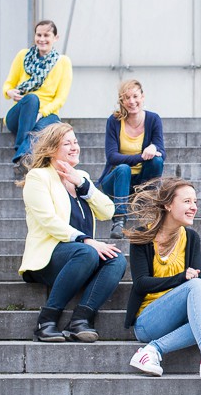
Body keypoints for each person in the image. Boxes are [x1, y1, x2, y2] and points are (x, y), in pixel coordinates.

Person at [123, 177, 201, 379]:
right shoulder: (142, 236)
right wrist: (181, 279)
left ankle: (152, 350)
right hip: (148, 321)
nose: (194, 207)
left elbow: (199, 280)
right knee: (194, 285)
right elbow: (141, 283)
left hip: (179, 317)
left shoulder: (191, 237)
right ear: (168, 205)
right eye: (187, 201)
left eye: (195, 202)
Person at [19, 123, 126, 342]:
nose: (74, 147)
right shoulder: (38, 177)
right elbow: (48, 220)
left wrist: (82, 185)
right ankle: (46, 322)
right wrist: (86, 240)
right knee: (86, 252)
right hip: (49, 257)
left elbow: (108, 211)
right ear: (51, 149)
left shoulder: (81, 177)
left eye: (75, 142)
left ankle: (80, 320)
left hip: (80, 256)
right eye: (67, 143)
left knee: (118, 260)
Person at [3, 20, 72, 178]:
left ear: (55, 37)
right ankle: (22, 146)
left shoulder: (63, 62)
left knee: (48, 125)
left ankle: (22, 158)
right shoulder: (23, 56)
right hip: (22, 114)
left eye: (46, 35)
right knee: (32, 99)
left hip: (47, 114)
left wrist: (42, 113)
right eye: (39, 35)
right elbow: (8, 84)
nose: (42, 39)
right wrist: (10, 93)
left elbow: (60, 98)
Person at [99, 79, 165, 239]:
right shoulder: (114, 121)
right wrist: (141, 157)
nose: (132, 101)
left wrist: (154, 148)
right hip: (116, 182)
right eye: (127, 97)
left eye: (135, 96)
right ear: (121, 100)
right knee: (123, 168)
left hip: (141, 182)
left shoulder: (153, 119)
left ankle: (147, 201)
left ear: (142, 97)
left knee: (157, 161)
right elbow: (112, 156)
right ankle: (119, 220)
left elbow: (162, 151)